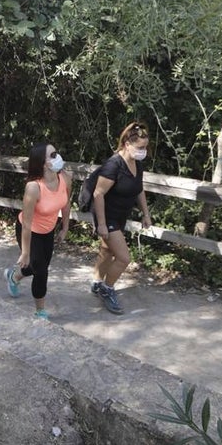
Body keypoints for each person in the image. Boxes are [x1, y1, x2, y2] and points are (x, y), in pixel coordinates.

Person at [88, 121, 152, 315]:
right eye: (140, 147)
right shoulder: (113, 165)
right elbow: (98, 194)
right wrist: (101, 224)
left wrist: (146, 213)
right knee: (124, 258)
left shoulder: (136, 164)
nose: (144, 151)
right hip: (107, 216)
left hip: (121, 215)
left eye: (145, 147)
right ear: (127, 144)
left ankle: (97, 282)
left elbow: (138, 189)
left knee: (107, 252)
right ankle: (107, 289)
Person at [4, 142, 72, 320]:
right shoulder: (33, 187)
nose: (56, 157)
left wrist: (65, 228)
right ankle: (40, 310)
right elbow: (26, 223)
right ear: (42, 164)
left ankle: (14, 276)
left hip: (48, 231)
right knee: (41, 271)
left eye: (56, 153)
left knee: (37, 268)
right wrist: (25, 252)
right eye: (51, 156)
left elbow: (66, 204)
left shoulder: (65, 177)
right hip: (29, 230)